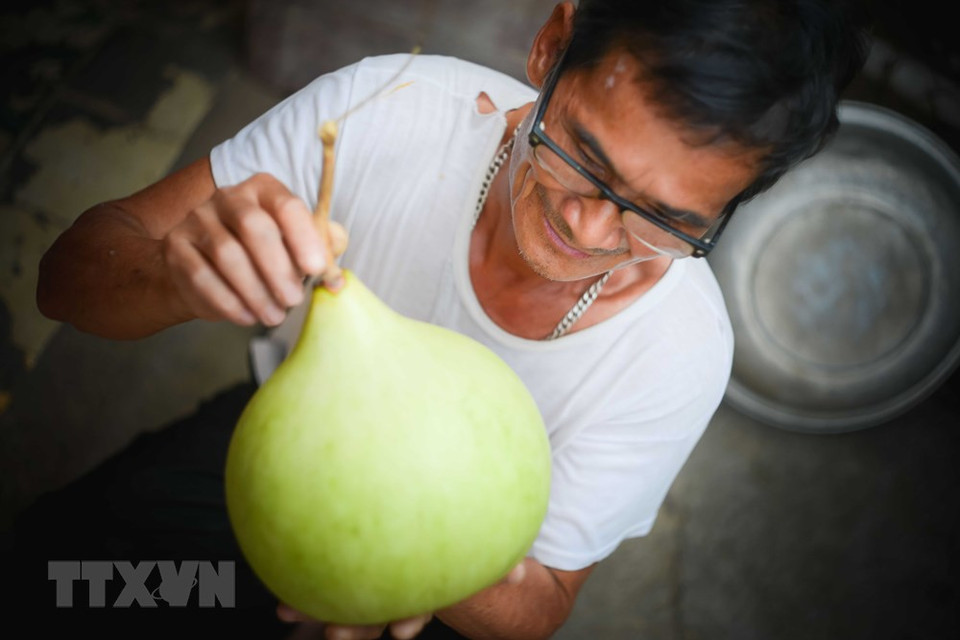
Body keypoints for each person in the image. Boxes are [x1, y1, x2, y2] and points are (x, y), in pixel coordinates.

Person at [18, 1, 869, 638]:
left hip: (455, 586)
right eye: (582, 154)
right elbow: (66, 281)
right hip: (271, 457)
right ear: (552, 45)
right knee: (67, 578)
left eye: (665, 219)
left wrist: (420, 565)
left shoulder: (678, 352)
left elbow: (542, 603)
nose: (588, 229)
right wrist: (176, 274)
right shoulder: (385, 112)